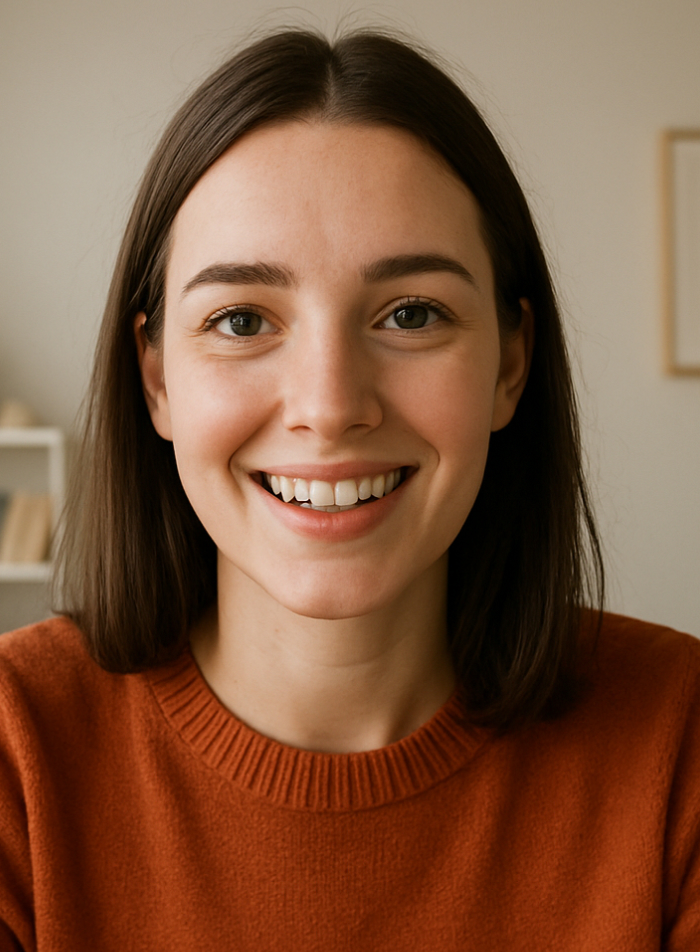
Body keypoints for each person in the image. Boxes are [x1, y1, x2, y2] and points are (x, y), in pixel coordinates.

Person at [1, 28, 698, 951]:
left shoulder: (681, 742)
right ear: (158, 378)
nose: (328, 408)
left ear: (511, 364)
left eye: (412, 314)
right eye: (242, 319)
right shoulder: (17, 753)